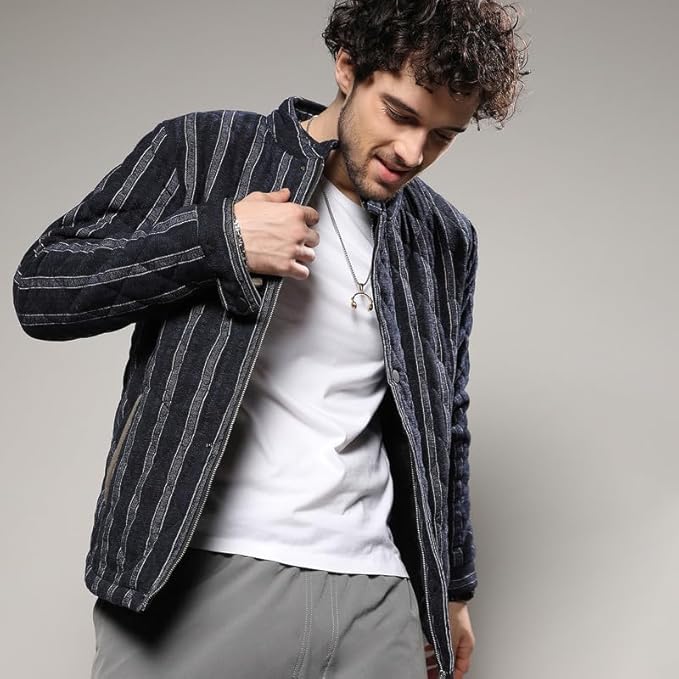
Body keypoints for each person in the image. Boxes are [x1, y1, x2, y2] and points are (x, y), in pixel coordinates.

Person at [12, 1, 527, 677]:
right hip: (203, 577)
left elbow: (445, 422)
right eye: (399, 115)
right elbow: (42, 289)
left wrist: (453, 589)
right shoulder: (208, 151)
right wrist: (216, 238)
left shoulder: (443, 238)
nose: (412, 153)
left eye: (442, 136)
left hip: (376, 594)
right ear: (347, 68)